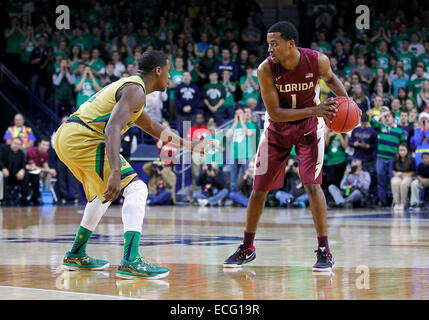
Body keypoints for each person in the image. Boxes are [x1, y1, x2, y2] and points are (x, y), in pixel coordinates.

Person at [54, 50, 207, 279]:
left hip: (69, 136)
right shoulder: (135, 90)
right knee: (137, 188)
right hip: (82, 138)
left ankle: (76, 254)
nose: (170, 76)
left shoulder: (133, 90)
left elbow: (154, 128)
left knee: (103, 195)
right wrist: (116, 171)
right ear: (158, 71)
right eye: (168, 71)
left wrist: (188, 144)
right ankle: (130, 260)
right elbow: (112, 128)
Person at [224, 21, 350, 272]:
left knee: (312, 186)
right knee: (258, 189)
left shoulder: (318, 61)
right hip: (277, 129)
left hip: (309, 129)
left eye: (274, 44)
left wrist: (347, 105)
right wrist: (316, 109)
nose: (269, 48)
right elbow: (276, 113)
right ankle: (247, 247)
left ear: (291, 44)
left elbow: (333, 80)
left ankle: (324, 250)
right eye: (268, 44)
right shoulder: (265, 70)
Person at [371, 109, 407, 207]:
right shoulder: (381, 128)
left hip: (393, 158)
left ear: (394, 119)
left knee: (393, 180)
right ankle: (383, 201)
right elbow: (372, 122)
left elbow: (403, 145)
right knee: (380, 179)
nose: (387, 118)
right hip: (381, 157)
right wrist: (383, 113)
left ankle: (394, 201)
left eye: (389, 116)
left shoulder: (400, 131)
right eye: (385, 117)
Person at [25, 138, 57, 205]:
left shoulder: (45, 154)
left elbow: (46, 166)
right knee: (39, 175)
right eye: (43, 144)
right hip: (28, 172)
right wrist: (49, 170)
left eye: (47, 145)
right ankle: (38, 195)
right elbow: (33, 167)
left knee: (48, 174)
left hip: (38, 172)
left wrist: (50, 171)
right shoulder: (31, 151)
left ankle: (46, 193)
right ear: (39, 144)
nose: (45, 147)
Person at [0, 138, 29, 205]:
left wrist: (22, 170)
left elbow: (23, 165)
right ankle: (4, 199)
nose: (16, 145)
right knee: (2, 175)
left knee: (26, 175)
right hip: (5, 172)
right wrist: (3, 168)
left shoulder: (22, 154)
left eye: (18, 144)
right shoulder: (3, 149)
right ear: (11, 143)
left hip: (15, 175)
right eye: (14, 143)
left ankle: (24, 198)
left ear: (20, 146)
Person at [391, 144, 415, 211]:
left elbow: (413, 172)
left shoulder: (411, 159)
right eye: (400, 150)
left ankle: (403, 203)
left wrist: (404, 174)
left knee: (403, 184)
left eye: (404, 150)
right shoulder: (395, 158)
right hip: (398, 176)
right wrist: (397, 174)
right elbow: (393, 170)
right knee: (395, 183)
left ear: (407, 151)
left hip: (408, 176)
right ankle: (397, 203)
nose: (402, 152)